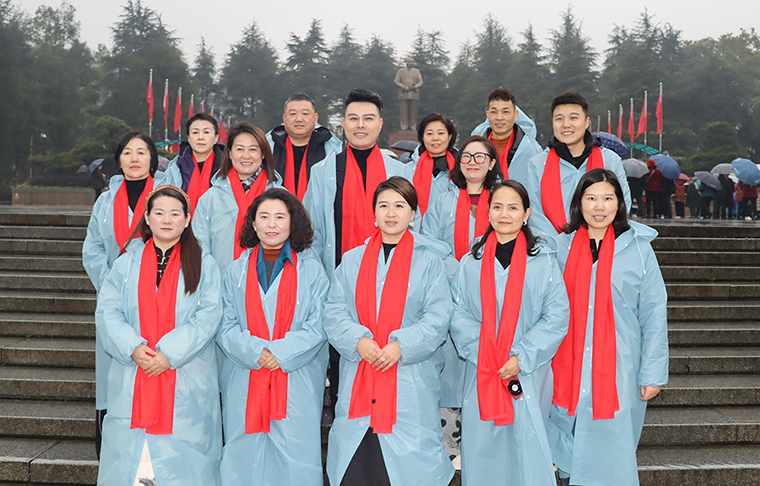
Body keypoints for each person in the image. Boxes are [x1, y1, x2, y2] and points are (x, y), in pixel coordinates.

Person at [323, 177, 454, 486]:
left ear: (413, 214)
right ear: (374, 213)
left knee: (407, 470)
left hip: (409, 381)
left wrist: (401, 346)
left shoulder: (430, 262)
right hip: (361, 375)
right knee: (356, 466)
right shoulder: (352, 260)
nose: (391, 213)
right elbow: (334, 310)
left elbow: (438, 317)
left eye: (400, 205)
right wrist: (358, 340)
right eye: (383, 206)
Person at [547, 169, 668, 486]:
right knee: (566, 440)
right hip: (566, 364)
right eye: (591, 198)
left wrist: (652, 371)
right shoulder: (559, 248)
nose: (599, 207)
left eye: (607, 198)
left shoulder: (638, 248)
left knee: (611, 447)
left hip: (619, 366)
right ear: (579, 202)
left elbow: (653, 312)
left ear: (619, 203)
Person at [96, 185, 223, 486]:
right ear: (147, 217)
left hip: (185, 378)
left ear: (187, 219)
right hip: (134, 373)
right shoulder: (126, 263)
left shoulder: (204, 263)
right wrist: (133, 347)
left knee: (183, 468)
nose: (167, 220)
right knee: (130, 463)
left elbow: (208, 316)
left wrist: (169, 354)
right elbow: (108, 311)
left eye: (175, 214)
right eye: (160, 213)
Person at [450, 180, 569, 485]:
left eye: (513, 207)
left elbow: (556, 317)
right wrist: (486, 351)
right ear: (488, 212)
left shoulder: (544, 262)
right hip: (483, 369)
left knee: (527, 448)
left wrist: (521, 356)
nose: (505, 214)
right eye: (498, 206)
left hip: (528, 372)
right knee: (483, 450)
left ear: (526, 214)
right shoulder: (470, 263)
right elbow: (458, 314)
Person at [303, 89, 410, 415]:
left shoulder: (400, 172)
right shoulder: (323, 171)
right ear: (343, 123)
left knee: (389, 364)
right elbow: (312, 233)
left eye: (368, 118)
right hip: (342, 289)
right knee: (345, 368)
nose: (360, 125)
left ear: (380, 124)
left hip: (392, 286)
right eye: (353, 118)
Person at [217, 188, 329, 486]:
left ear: (293, 222)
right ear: (253, 223)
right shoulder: (236, 271)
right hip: (246, 376)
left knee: (295, 460)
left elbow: (318, 325)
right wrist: (256, 352)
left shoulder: (311, 270)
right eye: (264, 216)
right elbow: (224, 324)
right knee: (244, 458)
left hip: (294, 379)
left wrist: (279, 353)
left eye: (280, 217)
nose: (271, 224)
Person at [82, 131, 163, 458]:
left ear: (152, 159)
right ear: (119, 160)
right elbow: (93, 248)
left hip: (156, 299)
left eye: (141, 152)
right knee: (113, 376)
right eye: (127, 152)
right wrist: (112, 285)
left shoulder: (165, 197)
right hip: (113, 300)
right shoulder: (105, 201)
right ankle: (113, 454)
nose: (134, 158)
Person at [525, 92, 631, 240]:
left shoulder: (610, 160)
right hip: (553, 247)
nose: (566, 124)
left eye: (573, 118)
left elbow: (622, 203)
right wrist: (561, 244)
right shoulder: (537, 164)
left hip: (601, 243)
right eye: (559, 119)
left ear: (587, 122)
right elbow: (534, 212)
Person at [194, 122, 280, 275]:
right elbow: (199, 248)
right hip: (221, 282)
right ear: (229, 153)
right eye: (240, 149)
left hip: (268, 282)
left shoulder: (281, 198)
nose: (246, 156)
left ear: (263, 154)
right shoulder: (210, 199)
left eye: (253, 149)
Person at [422, 135, 502, 279]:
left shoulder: (502, 202)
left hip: (495, 279)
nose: (472, 161)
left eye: (479, 156)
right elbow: (430, 243)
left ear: (491, 164)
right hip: (449, 279)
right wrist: (457, 271)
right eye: (466, 156)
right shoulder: (442, 202)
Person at [266, 93, 341, 201]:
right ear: (284, 119)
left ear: (315, 119)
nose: (299, 119)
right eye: (293, 114)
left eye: (305, 113)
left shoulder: (331, 151)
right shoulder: (268, 149)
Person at [469, 88, 542, 184]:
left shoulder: (531, 149)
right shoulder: (473, 148)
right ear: (488, 115)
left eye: (505, 112)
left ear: (515, 115)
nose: (499, 117)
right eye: (494, 112)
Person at [164, 113, 225, 213]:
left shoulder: (226, 167)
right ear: (188, 138)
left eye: (206, 132)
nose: (200, 137)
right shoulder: (175, 167)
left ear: (215, 138)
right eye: (195, 132)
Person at [408, 112, 458, 229]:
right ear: (422, 137)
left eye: (440, 133)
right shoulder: (408, 169)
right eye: (429, 133)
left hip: (450, 230)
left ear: (449, 136)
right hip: (415, 231)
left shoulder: (461, 169)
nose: (435, 138)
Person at [394, 58, 423, 130]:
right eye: (408, 62)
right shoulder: (401, 71)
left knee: (413, 111)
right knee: (403, 111)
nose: (409, 63)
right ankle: (404, 126)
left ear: (413, 63)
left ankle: (413, 125)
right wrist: (403, 87)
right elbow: (396, 81)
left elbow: (420, 82)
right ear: (406, 62)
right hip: (403, 93)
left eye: (411, 62)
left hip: (414, 94)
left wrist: (415, 86)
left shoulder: (416, 71)